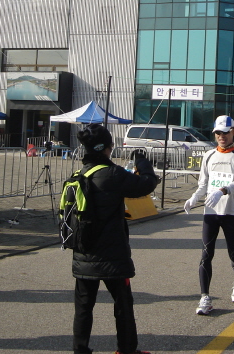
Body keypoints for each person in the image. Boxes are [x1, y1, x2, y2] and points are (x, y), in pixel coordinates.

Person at [70, 123, 157, 354]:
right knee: (123, 304)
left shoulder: (80, 175)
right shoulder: (113, 174)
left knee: (83, 307)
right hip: (112, 255)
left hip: (84, 252)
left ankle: (80, 350)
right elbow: (147, 184)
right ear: (106, 148)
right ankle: (126, 349)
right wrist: (142, 161)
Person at [183, 115, 234, 315]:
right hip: (211, 212)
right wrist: (194, 198)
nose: (222, 136)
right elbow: (203, 184)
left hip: (231, 212)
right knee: (206, 255)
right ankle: (205, 297)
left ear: (233, 132)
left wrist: (221, 191)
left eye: (225, 132)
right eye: (218, 133)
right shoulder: (209, 155)